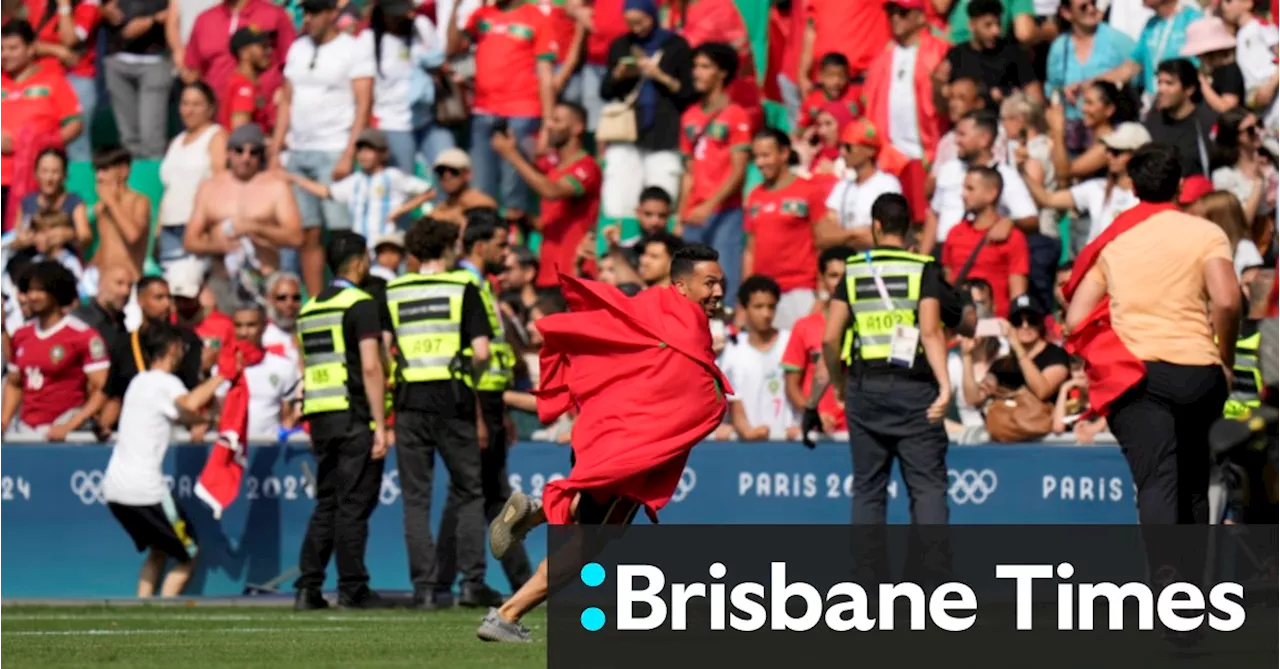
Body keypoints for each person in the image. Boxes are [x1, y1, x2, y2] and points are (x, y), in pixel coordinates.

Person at [477, 243, 730, 642]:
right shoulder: (691, 326)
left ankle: (540, 510)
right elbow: (695, 389)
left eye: (721, 284)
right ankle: (506, 615)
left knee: (590, 529)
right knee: (588, 545)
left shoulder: (649, 306)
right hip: (629, 453)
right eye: (709, 283)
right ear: (680, 285)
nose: (718, 292)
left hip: (601, 433)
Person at [1064, 143, 1239, 524]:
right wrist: (1224, 359)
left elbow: (1074, 320)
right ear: (1179, 185)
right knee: (1193, 481)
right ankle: (1191, 583)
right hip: (1199, 372)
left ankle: (1164, 579)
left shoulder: (1114, 242)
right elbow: (1227, 301)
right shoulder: (1206, 233)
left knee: (1157, 482)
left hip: (1137, 374)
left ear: (1133, 187)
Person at [821, 193, 965, 526]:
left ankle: (867, 577)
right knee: (927, 488)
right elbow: (930, 332)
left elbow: (830, 337)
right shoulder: (921, 269)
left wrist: (840, 385)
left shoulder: (854, 269)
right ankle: (932, 576)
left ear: (876, 226)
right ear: (909, 228)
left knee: (869, 490)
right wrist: (944, 387)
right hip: (915, 390)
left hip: (865, 388)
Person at [387, 218, 498, 609]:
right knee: (469, 492)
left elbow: (386, 349)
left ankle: (425, 588)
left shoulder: (394, 289)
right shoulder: (462, 287)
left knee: (415, 499)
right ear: (449, 247)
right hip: (453, 397)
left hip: (409, 398)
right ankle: (471, 582)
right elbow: (482, 351)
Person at [432, 209, 532, 606]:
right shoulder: (464, 286)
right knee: (474, 493)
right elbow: (468, 357)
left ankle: (443, 582)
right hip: (473, 402)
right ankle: (459, 582)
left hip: (488, 402)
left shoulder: (477, 284)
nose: (507, 255)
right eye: (501, 245)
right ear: (478, 245)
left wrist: (499, 409)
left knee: (486, 495)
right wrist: (478, 412)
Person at [294, 231, 389, 610]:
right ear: (361, 261)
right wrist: (381, 424)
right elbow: (370, 366)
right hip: (353, 415)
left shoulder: (310, 307)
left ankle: (308, 587)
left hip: (321, 416)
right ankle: (353, 587)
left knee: (328, 503)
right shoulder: (361, 304)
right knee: (353, 505)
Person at [103, 322, 224, 597]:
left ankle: (143, 607)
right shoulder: (166, 383)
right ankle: (165, 613)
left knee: (160, 549)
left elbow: (185, 414)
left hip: (115, 489)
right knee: (189, 552)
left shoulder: (139, 382)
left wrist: (207, 419)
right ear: (173, 348)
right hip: (145, 491)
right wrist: (220, 376)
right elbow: (190, 404)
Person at [273, 0, 374, 297]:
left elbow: (363, 103)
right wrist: (276, 149)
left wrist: (349, 152)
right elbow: (287, 101)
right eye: (305, 12)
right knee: (308, 233)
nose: (308, 18)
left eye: (315, 12)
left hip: (334, 148)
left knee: (341, 231)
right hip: (299, 150)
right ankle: (320, 302)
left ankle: (350, 294)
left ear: (332, 14)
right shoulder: (298, 48)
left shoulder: (352, 48)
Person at [447, 0, 556, 230]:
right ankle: (485, 240)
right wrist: (455, 8)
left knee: (513, 188)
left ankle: (514, 247)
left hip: (522, 112)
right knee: (481, 188)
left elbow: (545, 73)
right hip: (483, 110)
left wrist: (547, 124)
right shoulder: (482, 15)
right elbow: (453, 48)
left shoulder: (537, 17)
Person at [185, 124, 303, 314]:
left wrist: (256, 228)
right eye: (239, 151)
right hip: (222, 280)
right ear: (228, 153)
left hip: (264, 279)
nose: (245, 158)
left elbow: (296, 237)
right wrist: (219, 247)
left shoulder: (276, 187)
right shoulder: (210, 187)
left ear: (261, 156)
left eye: (253, 152)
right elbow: (190, 241)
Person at [599, 0, 693, 228]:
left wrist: (659, 76)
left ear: (653, 16)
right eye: (631, 23)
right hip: (627, 133)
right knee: (619, 199)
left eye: (641, 22)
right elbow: (605, 91)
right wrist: (619, 75)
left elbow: (688, 94)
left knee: (662, 197)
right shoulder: (621, 45)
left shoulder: (676, 46)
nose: (636, 28)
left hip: (663, 134)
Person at [493, 101, 601, 290]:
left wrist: (511, 155)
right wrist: (526, 219)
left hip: (575, 274)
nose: (549, 125)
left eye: (557, 120)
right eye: (549, 120)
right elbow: (550, 224)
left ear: (577, 127)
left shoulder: (587, 167)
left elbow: (551, 191)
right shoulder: (552, 168)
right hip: (547, 275)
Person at [0, 261, 108, 439]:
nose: (32, 296)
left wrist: (69, 426)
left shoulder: (83, 335)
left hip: (64, 434)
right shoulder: (21, 335)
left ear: (56, 291)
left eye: (40, 290)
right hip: (26, 432)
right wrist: (4, 420)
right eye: (30, 290)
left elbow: (102, 388)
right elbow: (14, 383)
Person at [680, 42, 752, 299]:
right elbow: (688, 171)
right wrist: (681, 214)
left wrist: (710, 205)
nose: (696, 72)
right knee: (690, 286)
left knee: (723, 281)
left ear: (722, 73)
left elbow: (739, 169)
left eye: (705, 66)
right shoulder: (689, 115)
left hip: (725, 213)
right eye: (695, 66)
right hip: (694, 214)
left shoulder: (736, 115)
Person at [284, 128, 435, 245]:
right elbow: (327, 192)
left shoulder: (393, 176)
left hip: (386, 244)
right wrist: (296, 179)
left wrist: (401, 210)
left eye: (370, 150)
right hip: (360, 246)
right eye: (361, 150)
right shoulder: (355, 181)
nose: (363, 155)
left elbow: (429, 191)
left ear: (384, 153)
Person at [0, 20, 83, 230]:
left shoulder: (53, 81)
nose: (5, 54)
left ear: (31, 49)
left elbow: (74, 125)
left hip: (35, 185)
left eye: (13, 48)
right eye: (1, 48)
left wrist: (39, 145)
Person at [98, 276, 204, 435]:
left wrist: (200, 423)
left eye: (169, 298)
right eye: (159, 298)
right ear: (140, 301)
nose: (167, 304)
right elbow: (115, 395)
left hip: (177, 429)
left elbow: (194, 387)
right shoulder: (123, 343)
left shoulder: (186, 339)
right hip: (135, 431)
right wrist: (103, 427)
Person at [925, 110, 1038, 257]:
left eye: (962, 135)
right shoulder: (948, 169)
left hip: (976, 255)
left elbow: (1031, 219)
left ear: (984, 139)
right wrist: (923, 258)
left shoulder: (1005, 176)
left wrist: (1009, 223)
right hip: (942, 252)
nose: (956, 140)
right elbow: (934, 215)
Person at [743, 128, 823, 328]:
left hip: (801, 291)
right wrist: (743, 299)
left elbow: (822, 243)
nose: (760, 162)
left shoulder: (809, 190)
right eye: (757, 157)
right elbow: (750, 251)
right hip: (764, 297)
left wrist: (822, 296)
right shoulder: (754, 196)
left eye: (766, 155)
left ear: (784, 154)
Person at [1021, 121, 1149, 242]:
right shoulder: (1097, 188)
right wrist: (1021, 168)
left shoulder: (1149, 197)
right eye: (1108, 150)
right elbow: (1048, 199)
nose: (1108, 156)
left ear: (1137, 155)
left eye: (1116, 152)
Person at [863, 0, 950, 164]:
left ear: (921, 17)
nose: (895, 18)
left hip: (929, 154)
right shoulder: (883, 56)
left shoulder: (940, 51)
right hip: (890, 157)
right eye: (891, 12)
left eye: (902, 12)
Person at [786, 245, 854, 441]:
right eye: (833, 275)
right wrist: (814, 413)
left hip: (859, 428)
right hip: (819, 431)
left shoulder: (866, 326)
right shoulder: (803, 327)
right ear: (822, 279)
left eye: (846, 275)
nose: (840, 282)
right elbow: (792, 386)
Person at [158, 81, 226, 267]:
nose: (188, 110)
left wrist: (210, 227)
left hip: (196, 226)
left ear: (211, 108)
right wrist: (158, 228)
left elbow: (220, 183)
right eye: (185, 103)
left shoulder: (216, 136)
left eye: (196, 104)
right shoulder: (176, 142)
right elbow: (169, 188)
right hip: (169, 226)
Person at [720, 275, 796, 440]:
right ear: (743, 308)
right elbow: (734, 399)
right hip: (747, 444)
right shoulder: (732, 349)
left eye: (771, 307)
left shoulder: (791, 341)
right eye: (758, 306)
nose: (766, 314)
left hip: (788, 442)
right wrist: (747, 431)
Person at [965, 293, 1070, 409]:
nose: (1025, 326)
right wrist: (967, 355)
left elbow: (1042, 392)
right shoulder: (1003, 363)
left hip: (1044, 424)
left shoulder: (1056, 354)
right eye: (1017, 321)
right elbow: (974, 398)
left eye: (1032, 320)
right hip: (1010, 424)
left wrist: (1017, 346)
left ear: (1040, 323)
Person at [1044, 0, 1135, 130]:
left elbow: (1137, 71)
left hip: (1110, 126)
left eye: (1093, 3)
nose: (1091, 9)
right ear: (1067, 13)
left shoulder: (1118, 40)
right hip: (1072, 127)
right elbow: (1052, 89)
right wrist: (1062, 93)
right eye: (1083, 7)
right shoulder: (1059, 47)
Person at [215, 304, 299, 441]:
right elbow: (218, 412)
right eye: (238, 325)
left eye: (251, 325)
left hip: (269, 450)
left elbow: (287, 416)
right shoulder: (220, 370)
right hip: (232, 450)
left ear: (264, 327)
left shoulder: (284, 366)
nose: (244, 332)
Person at [817, 119, 903, 249]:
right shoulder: (843, 185)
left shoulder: (888, 184)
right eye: (840, 146)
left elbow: (883, 237)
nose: (842, 152)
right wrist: (855, 233)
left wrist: (841, 237)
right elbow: (823, 234)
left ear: (869, 150)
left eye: (848, 147)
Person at [1102, 0, 1202, 101]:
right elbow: (1132, 66)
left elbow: (1203, 68)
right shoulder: (1151, 24)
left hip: (1186, 106)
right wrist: (1096, 80)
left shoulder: (1193, 19)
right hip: (1154, 105)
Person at [945, 0, 1042, 102]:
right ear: (972, 25)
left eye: (998, 24)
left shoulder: (1014, 54)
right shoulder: (956, 55)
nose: (996, 31)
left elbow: (1035, 97)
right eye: (988, 25)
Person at [1142, 59, 1218, 178]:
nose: (1161, 89)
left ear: (1189, 89)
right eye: (1159, 83)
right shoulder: (1152, 122)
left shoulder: (1206, 123)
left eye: (1169, 83)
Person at [1212, 107, 1276, 225]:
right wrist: (1259, 182)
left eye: (1259, 124)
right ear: (1235, 137)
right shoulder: (1224, 176)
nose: (1257, 131)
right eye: (1250, 130)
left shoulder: (1272, 152)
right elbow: (1242, 223)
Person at [1180, 17, 1244, 114]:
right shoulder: (1216, 71)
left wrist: (1201, 80)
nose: (1198, 58)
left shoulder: (1230, 71)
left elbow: (1227, 108)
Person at [221, 26, 275, 132]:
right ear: (244, 53)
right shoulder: (243, 86)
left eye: (269, 46)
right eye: (263, 47)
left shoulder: (247, 83)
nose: (269, 51)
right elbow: (241, 134)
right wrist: (273, 142)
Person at [429, 149, 497, 228]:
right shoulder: (438, 210)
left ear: (467, 174)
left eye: (453, 171)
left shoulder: (482, 202)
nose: (446, 176)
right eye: (441, 171)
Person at [262, 271, 302, 364]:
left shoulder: (308, 331)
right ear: (269, 299)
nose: (290, 304)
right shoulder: (262, 336)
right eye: (282, 298)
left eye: (295, 298)